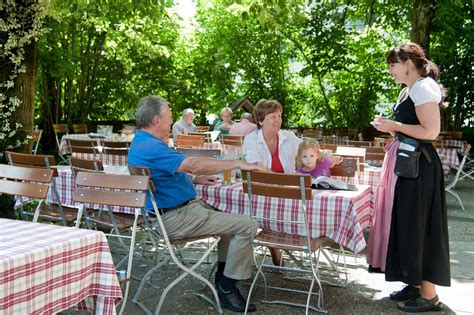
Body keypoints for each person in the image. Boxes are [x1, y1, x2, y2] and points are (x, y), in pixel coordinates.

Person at [128, 96, 264, 312]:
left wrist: (193, 180)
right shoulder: (152, 147)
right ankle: (227, 287)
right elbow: (194, 164)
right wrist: (238, 162)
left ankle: (222, 278)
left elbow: (166, 174)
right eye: (169, 117)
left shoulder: (141, 142)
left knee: (230, 217)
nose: (172, 121)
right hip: (175, 217)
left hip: (172, 212)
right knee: (247, 225)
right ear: (156, 120)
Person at [367, 43, 450, 313]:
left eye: (393, 65)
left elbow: (431, 131)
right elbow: (409, 130)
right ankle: (414, 283)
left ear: (407, 63)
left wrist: (395, 126)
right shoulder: (408, 90)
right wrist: (390, 129)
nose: (390, 70)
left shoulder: (425, 87)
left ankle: (430, 296)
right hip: (407, 164)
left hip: (420, 168)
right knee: (407, 224)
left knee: (421, 226)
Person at [243, 98, 301, 265]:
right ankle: (275, 244)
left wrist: (324, 154)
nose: (278, 120)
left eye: (279, 116)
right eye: (272, 117)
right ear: (261, 120)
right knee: (272, 204)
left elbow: (307, 147)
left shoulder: (287, 136)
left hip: (289, 191)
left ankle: (276, 242)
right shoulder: (251, 139)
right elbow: (256, 168)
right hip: (263, 191)